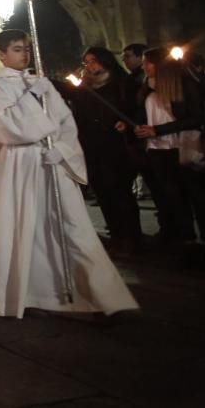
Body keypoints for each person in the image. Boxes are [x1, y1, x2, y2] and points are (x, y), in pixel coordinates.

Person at [0, 29, 138, 319]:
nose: (24, 54)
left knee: (73, 224)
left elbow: (66, 121)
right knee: (28, 225)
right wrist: (30, 103)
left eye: (27, 48)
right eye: (17, 49)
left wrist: (63, 150)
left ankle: (103, 297)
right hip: (23, 161)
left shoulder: (39, 82)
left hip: (52, 159)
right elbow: (3, 125)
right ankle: (30, 294)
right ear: (2, 54)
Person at [68, 47, 143, 255]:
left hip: (117, 147)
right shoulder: (84, 89)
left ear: (104, 61)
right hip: (93, 147)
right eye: (86, 62)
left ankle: (132, 238)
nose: (89, 65)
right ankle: (117, 235)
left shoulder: (123, 84)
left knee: (120, 193)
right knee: (103, 194)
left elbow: (136, 109)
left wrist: (126, 123)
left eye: (93, 61)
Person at [133, 47, 205, 246]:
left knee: (196, 197)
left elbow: (195, 118)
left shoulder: (183, 84)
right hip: (157, 151)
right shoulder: (146, 88)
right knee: (174, 198)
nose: (143, 66)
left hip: (181, 148)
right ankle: (186, 240)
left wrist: (158, 130)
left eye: (146, 62)